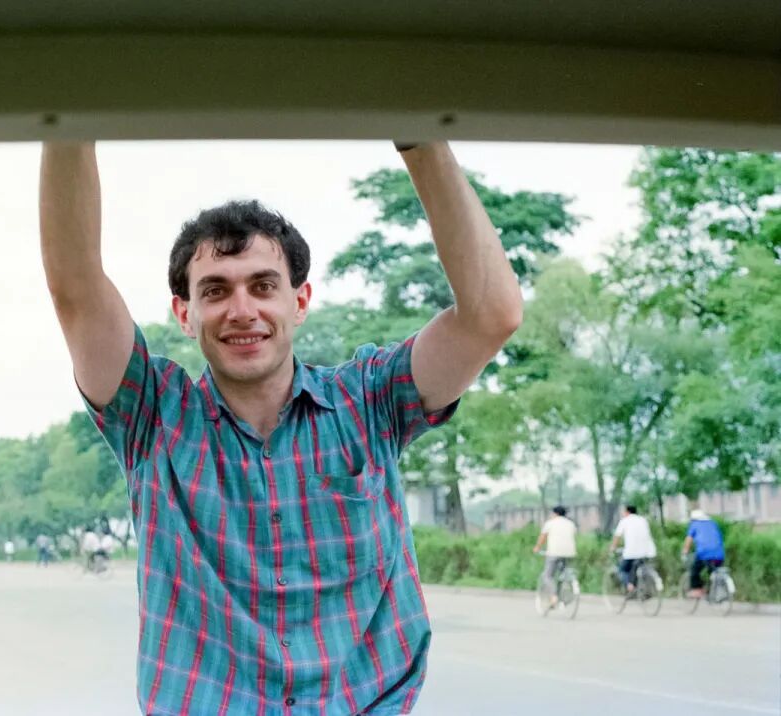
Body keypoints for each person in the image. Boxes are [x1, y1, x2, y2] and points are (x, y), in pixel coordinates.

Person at [39, 140, 522, 714]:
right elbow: (76, 288)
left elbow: (491, 315)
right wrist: (70, 118)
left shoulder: (369, 401)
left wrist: (419, 136)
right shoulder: (153, 415)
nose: (242, 310)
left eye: (263, 285)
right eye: (215, 290)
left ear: (300, 301)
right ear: (185, 314)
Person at [532, 505, 577, 607]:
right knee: (563, 573)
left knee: (547, 576)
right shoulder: (571, 524)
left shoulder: (550, 523)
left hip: (554, 553)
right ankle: (565, 590)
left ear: (555, 513)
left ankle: (554, 597)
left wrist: (537, 547)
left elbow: (543, 537)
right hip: (569, 553)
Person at [610, 504, 657, 593]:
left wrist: (613, 548)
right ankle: (640, 587)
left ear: (627, 512)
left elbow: (617, 536)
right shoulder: (643, 520)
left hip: (632, 552)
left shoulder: (624, 521)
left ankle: (630, 587)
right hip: (648, 551)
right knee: (636, 567)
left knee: (622, 570)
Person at [682, 508, 725, 599]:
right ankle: (712, 591)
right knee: (713, 571)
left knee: (694, 570)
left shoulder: (694, 524)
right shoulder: (713, 523)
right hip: (719, 554)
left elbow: (688, 540)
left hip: (704, 553)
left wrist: (685, 552)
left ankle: (697, 590)